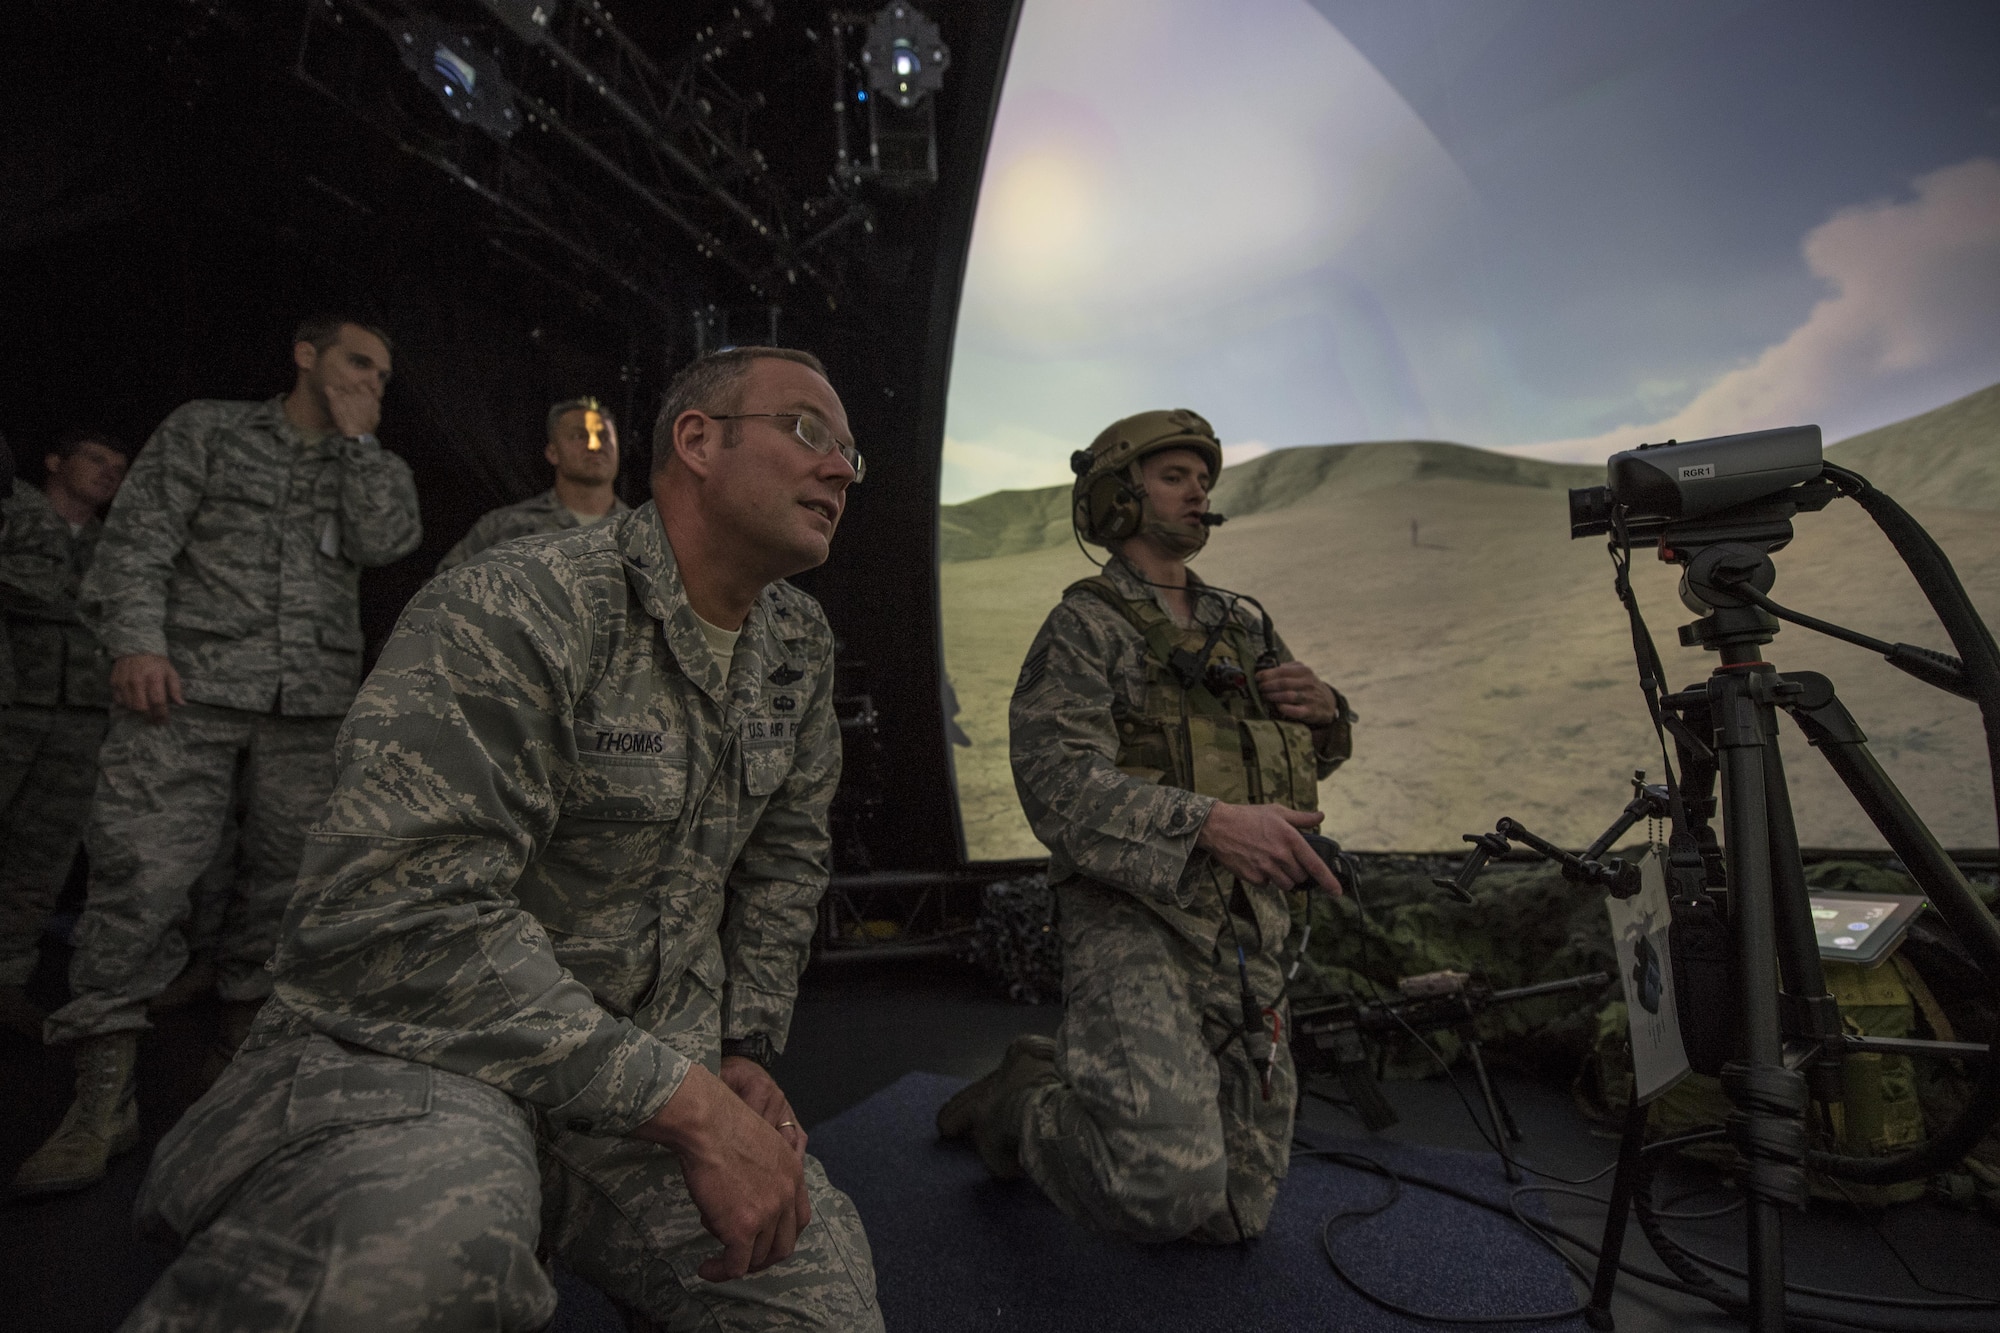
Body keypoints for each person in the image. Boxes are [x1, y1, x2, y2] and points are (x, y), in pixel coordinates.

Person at [120, 346, 881, 1332]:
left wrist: (740, 1049)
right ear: (697, 441)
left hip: (647, 1069)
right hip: (428, 1052)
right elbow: (393, 916)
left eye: (852, 458)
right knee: (422, 1265)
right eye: (810, 434)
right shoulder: (523, 600)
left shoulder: (796, 647)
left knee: (815, 1301)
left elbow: (785, 859)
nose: (839, 471)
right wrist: (689, 1108)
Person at [10, 317, 423, 1196]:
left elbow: (388, 540)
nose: (371, 382)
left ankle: (237, 1073)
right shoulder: (209, 429)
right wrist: (134, 642)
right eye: (358, 362)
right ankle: (100, 1101)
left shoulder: (369, 463)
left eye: (384, 375)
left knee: (287, 891)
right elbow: (139, 540)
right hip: (185, 689)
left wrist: (359, 443)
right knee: (141, 879)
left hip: (307, 707)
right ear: (305, 353)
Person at [940, 408, 1355, 1244]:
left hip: (1245, 925)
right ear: (1119, 500)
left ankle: (1068, 1071)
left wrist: (1328, 716)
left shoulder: (1245, 623)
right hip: (1135, 919)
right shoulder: (1086, 627)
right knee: (1163, 1187)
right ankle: (1022, 1106)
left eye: (1204, 479)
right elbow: (1056, 785)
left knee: (1235, 1217)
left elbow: (1286, 761)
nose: (1199, 491)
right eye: (1175, 477)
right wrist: (1205, 824)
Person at [0, 430, 131, 1038]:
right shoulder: (13, 509)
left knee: (40, 858)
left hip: (80, 719)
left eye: (118, 467)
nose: (109, 472)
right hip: (12, 701)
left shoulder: (121, 550)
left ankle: (5, 982)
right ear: (54, 459)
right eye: (97, 459)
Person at [435, 396, 629, 573]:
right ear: (553, 452)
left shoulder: (640, 531)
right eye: (580, 436)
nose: (594, 445)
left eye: (604, 437)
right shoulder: (504, 527)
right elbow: (441, 592)